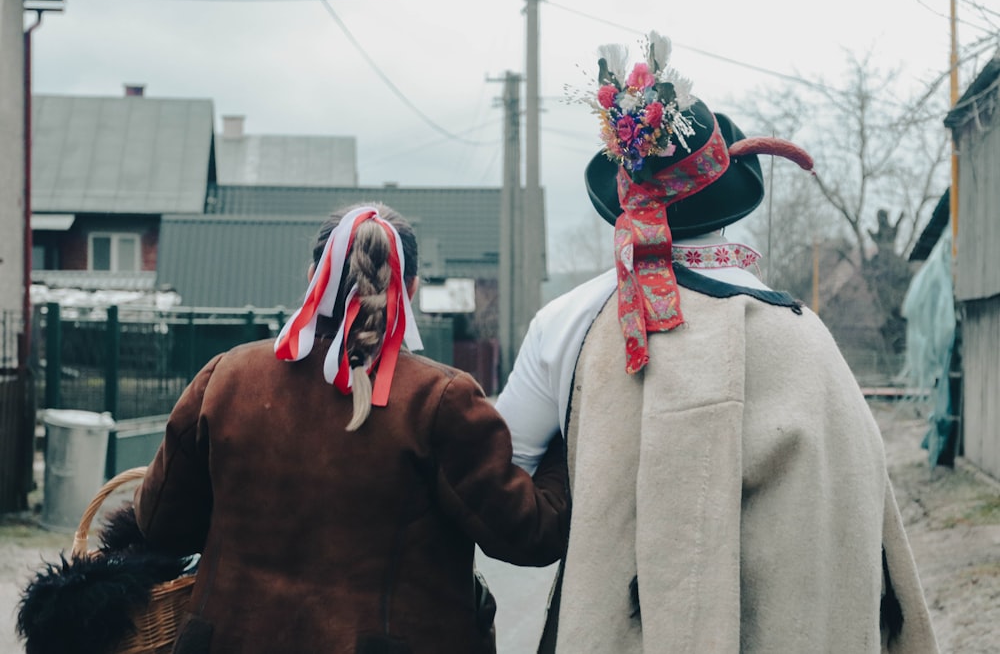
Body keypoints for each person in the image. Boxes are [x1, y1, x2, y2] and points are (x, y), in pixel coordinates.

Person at [495, 32, 939, 653]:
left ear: (627, 198)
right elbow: (860, 512)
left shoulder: (569, 322)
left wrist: (591, 483)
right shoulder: (810, 339)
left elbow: (503, 475)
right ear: (725, 203)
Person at [133, 203, 569, 654]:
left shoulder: (225, 377)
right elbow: (530, 535)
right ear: (411, 288)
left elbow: (161, 525)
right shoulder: (441, 400)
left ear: (312, 277)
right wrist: (565, 431)